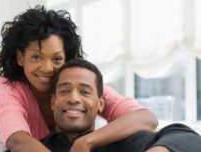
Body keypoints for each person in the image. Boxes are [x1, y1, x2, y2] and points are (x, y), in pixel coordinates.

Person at [0, 5, 158, 152]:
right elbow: (17, 139)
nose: (47, 68)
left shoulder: (79, 88)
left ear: (67, 59)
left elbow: (147, 118)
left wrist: (86, 142)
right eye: (36, 57)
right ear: (21, 57)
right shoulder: (8, 87)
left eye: (57, 59)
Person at [41, 58, 201, 152]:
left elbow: (188, 138)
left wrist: (88, 141)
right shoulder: (34, 147)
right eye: (64, 91)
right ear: (53, 101)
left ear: (101, 104)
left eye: (84, 92)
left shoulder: (116, 143)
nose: (73, 98)